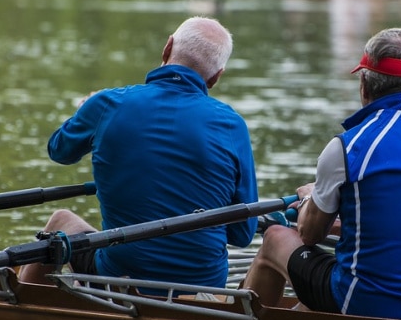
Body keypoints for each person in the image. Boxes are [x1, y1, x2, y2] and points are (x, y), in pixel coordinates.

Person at [241, 27, 401, 320]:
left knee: (275, 237)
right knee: (337, 275)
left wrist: (310, 198)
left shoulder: (350, 146)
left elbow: (309, 234)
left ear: (364, 85)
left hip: (365, 304)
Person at [18, 17, 258, 289]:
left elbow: (59, 151)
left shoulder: (106, 104)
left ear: (167, 48)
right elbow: (242, 234)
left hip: (122, 275)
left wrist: (86, 111)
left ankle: (23, 304)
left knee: (61, 221)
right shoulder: (232, 125)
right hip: (204, 284)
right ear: (216, 77)